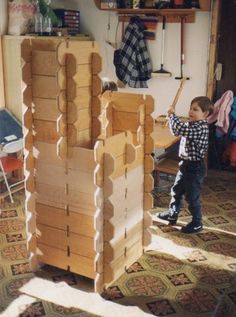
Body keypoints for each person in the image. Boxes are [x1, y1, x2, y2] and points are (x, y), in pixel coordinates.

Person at [156, 96, 214, 233]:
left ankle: (197, 222)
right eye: (190, 108)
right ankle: (172, 213)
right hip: (185, 164)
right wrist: (172, 117)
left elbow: (179, 129)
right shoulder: (191, 124)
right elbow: (176, 130)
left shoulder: (201, 128)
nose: (191, 112)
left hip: (195, 167)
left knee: (192, 196)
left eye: (195, 109)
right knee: (176, 190)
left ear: (205, 114)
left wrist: (171, 114)